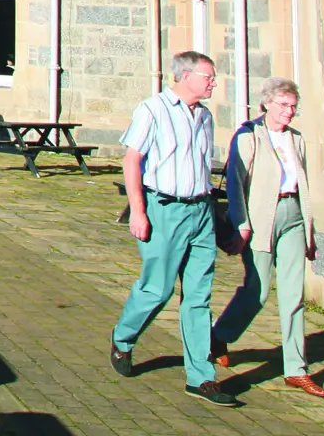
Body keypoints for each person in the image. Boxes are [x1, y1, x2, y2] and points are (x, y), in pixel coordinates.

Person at [109, 51, 237, 407]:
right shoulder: (153, 109)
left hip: (201, 210)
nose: (213, 82)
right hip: (163, 208)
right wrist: (138, 211)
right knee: (157, 289)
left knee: (199, 297)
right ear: (184, 76)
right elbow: (132, 160)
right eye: (208, 76)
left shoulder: (206, 117)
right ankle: (123, 338)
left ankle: (201, 377)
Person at [211, 78, 324, 398]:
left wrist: (309, 232)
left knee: (294, 296)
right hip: (262, 218)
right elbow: (237, 184)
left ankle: (296, 370)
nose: (289, 112)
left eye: (293, 107)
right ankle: (219, 335)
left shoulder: (297, 139)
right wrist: (242, 224)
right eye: (283, 106)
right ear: (266, 104)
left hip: (293, 217)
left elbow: (303, 187)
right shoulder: (250, 136)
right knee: (258, 289)